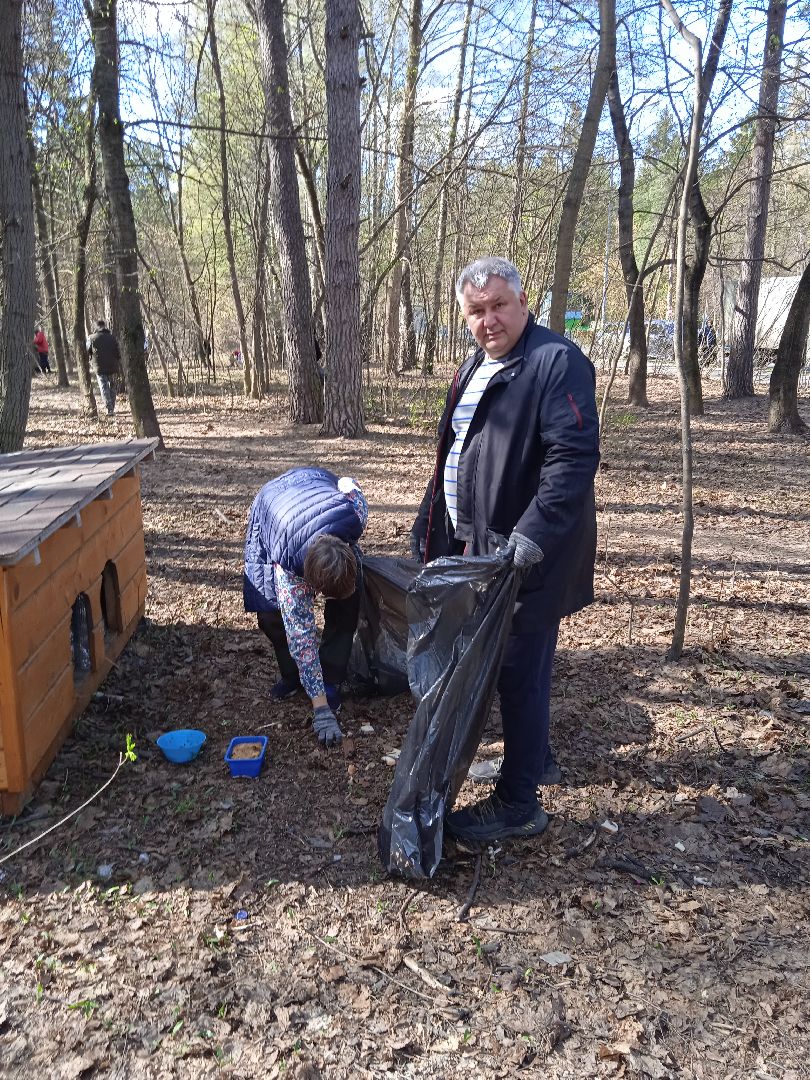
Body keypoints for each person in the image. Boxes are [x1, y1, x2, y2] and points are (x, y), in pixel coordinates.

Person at [410, 256, 600, 845]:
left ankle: (520, 804)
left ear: (523, 303)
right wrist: (429, 521)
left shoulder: (555, 362)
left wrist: (531, 536)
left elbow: (573, 459)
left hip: (527, 557)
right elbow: (456, 453)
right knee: (509, 669)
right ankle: (533, 759)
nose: (488, 320)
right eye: (476, 311)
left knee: (518, 672)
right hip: (481, 549)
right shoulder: (473, 366)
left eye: (498, 306)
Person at [243, 467, 368, 747]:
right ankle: (293, 677)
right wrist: (321, 711)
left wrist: (337, 486)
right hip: (272, 508)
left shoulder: (355, 513)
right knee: (272, 615)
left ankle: (330, 678)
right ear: (310, 584)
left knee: (348, 605)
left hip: (314, 481)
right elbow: (303, 638)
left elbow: (348, 482)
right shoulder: (290, 572)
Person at [87, 319, 123, 415]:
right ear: (104, 326)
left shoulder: (91, 338)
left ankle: (109, 408)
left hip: (99, 367)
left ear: (96, 327)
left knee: (103, 387)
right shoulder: (113, 338)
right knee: (112, 387)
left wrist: (91, 360)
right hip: (112, 366)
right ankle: (112, 407)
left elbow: (88, 351)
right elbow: (118, 353)